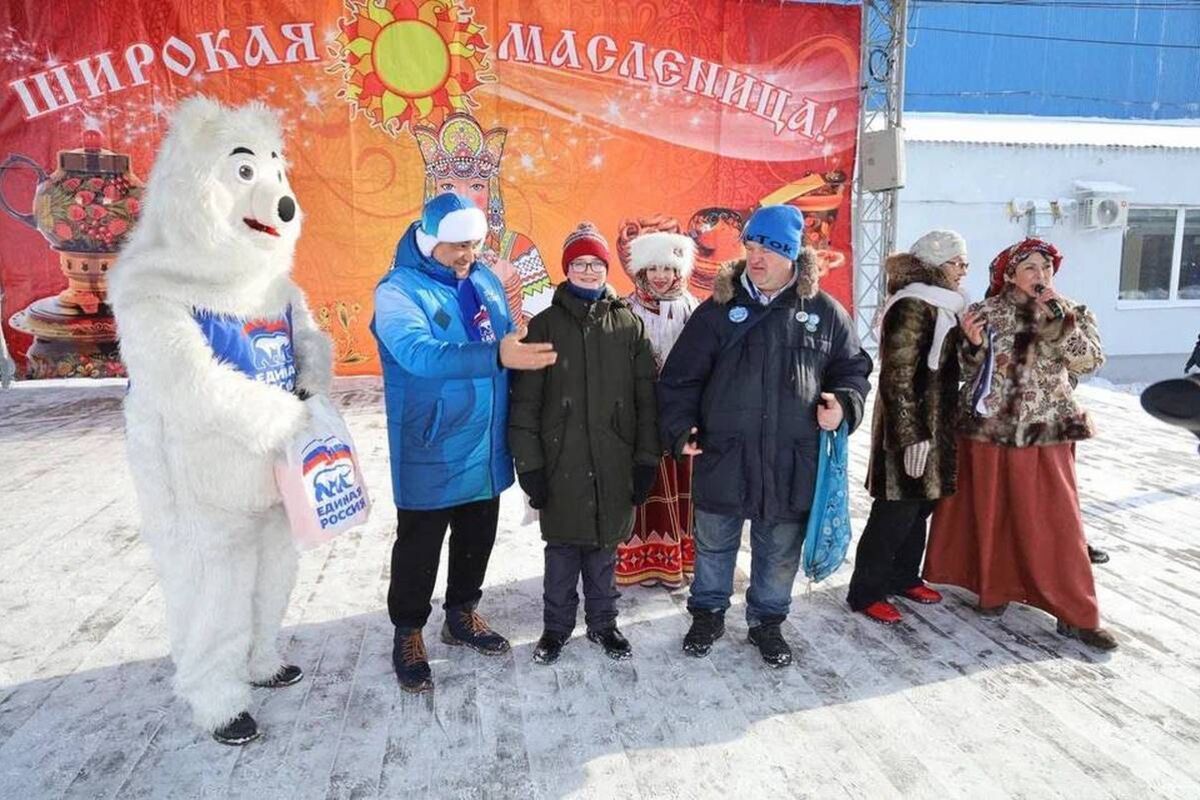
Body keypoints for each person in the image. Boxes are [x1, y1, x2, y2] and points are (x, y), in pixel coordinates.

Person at [658, 205, 873, 667]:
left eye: (769, 250)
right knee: (714, 543)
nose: (756, 259)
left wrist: (844, 404)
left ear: (792, 255)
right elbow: (680, 379)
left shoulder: (823, 312)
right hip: (725, 452)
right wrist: (681, 429)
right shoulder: (719, 310)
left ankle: (767, 621)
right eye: (751, 248)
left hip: (792, 457)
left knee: (778, 550)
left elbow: (853, 370)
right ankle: (708, 612)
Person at [372, 192, 557, 693]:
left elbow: (507, 342)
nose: (465, 254)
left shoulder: (483, 282)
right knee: (420, 546)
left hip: (485, 439)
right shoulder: (397, 291)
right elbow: (418, 353)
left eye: (472, 244)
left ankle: (462, 615)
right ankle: (408, 631)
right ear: (429, 240)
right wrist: (497, 354)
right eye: (455, 245)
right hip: (431, 443)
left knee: (478, 536)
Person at [924, 238, 1118, 652]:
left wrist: (1060, 322)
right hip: (989, 429)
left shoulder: (1072, 312)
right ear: (1009, 274)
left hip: (1044, 430)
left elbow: (1090, 361)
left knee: (1056, 524)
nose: (1041, 275)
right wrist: (972, 345)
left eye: (1045, 268)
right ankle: (994, 589)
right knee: (993, 514)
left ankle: (1076, 612)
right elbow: (963, 372)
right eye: (1030, 267)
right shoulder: (984, 312)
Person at [509, 223, 659, 665]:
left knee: (603, 553)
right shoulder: (544, 326)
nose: (589, 271)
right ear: (567, 269)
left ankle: (604, 625)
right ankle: (555, 630)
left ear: (606, 269)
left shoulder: (627, 325)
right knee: (561, 554)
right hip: (561, 463)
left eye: (596, 264)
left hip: (614, 460)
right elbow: (525, 407)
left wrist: (646, 458)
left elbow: (645, 399)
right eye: (580, 264)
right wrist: (531, 467)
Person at [848, 230, 975, 624]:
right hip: (909, 432)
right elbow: (897, 377)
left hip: (937, 428)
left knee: (921, 507)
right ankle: (866, 591)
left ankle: (903, 576)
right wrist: (909, 435)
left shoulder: (948, 306)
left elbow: (961, 367)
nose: (963, 271)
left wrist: (972, 342)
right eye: (958, 262)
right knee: (894, 512)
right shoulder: (913, 305)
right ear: (937, 264)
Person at [615, 231, 701, 588]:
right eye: (653, 268)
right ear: (641, 270)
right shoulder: (624, 309)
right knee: (645, 486)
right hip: (640, 416)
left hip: (682, 415)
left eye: (669, 268)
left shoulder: (693, 308)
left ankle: (677, 559)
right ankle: (642, 562)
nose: (661, 276)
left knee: (683, 485)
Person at [413, 112, 554, 321]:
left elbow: (541, 330)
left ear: (492, 192)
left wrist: (509, 289)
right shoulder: (416, 249)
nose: (462, 197)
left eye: (476, 186)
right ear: (434, 192)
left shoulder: (517, 248)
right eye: (448, 186)